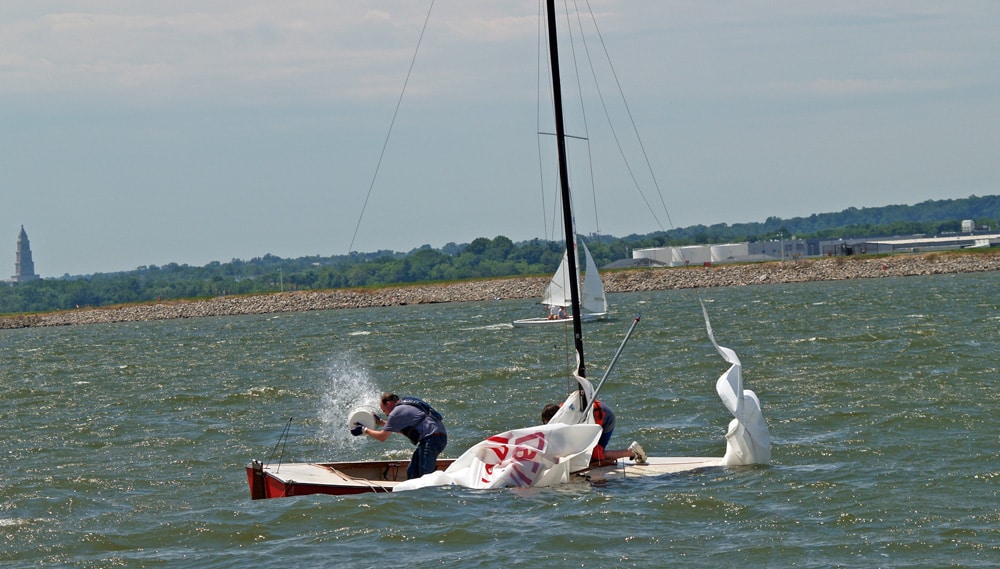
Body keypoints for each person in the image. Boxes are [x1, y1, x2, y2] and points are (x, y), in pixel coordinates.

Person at [351, 392, 448, 480]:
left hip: (431, 439)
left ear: (388, 404)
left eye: (384, 411)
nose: (386, 414)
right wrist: (380, 422)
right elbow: (400, 430)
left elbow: (382, 437)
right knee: (412, 471)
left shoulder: (395, 413)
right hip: (436, 437)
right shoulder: (405, 405)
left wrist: (364, 430)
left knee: (426, 477)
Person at [541, 401, 646, 464]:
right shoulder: (561, 411)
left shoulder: (568, 419)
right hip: (595, 416)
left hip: (606, 419)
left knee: (595, 457)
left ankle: (633, 451)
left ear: (555, 418)